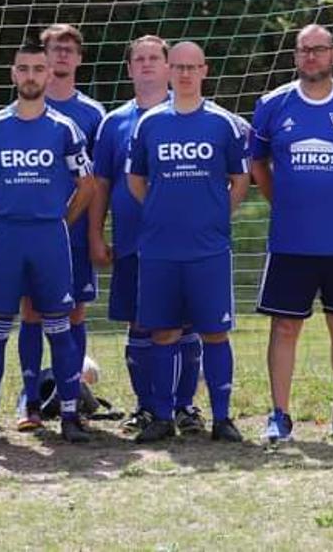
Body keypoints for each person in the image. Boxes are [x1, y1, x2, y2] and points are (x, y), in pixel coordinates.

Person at [252, 24, 333, 442]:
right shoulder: (273, 104)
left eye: (319, 49)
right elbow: (258, 166)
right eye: (303, 50)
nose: (311, 56)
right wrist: (286, 202)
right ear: (295, 56)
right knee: (286, 326)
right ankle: (279, 414)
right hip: (291, 239)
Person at [0, 43, 96, 445]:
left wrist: (60, 218)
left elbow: (86, 185)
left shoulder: (64, 128)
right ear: (13, 74)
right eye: (24, 68)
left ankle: (70, 414)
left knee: (59, 326)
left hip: (48, 236)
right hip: (5, 235)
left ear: (48, 73)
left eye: (39, 68)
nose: (32, 75)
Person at [126, 41, 249, 444]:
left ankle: (222, 418)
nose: (183, 74)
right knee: (162, 332)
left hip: (208, 250)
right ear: (168, 71)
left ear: (204, 71)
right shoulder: (149, 123)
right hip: (160, 249)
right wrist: (164, 212)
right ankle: (162, 417)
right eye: (177, 67)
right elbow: (136, 181)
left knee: (215, 333)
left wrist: (213, 215)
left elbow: (240, 179)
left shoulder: (223, 124)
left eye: (191, 67)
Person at [89, 35, 206, 435]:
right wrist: (95, 234)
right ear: (129, 68)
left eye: (155, 58)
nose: (146, 65)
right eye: (138, 58)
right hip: (133, 243)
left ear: (169, 65)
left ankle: (184, 406)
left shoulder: (195, 117)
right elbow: (101, 184)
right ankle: (146, 406)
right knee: (139, 324)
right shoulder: (113, 123)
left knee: (186, 323)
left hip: (185, 244)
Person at [15, 24, 107, 431]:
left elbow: (97, 184)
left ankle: (72, 398)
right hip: (30, 234)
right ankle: (30, 401)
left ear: (80, 59)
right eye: (56, 49)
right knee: (31, 312)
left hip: (72, 233)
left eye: (70, 50)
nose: (63, 56)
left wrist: (90, 231)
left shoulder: (93, 114)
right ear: (44, 57)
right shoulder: (21, 110)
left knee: (72, 313)